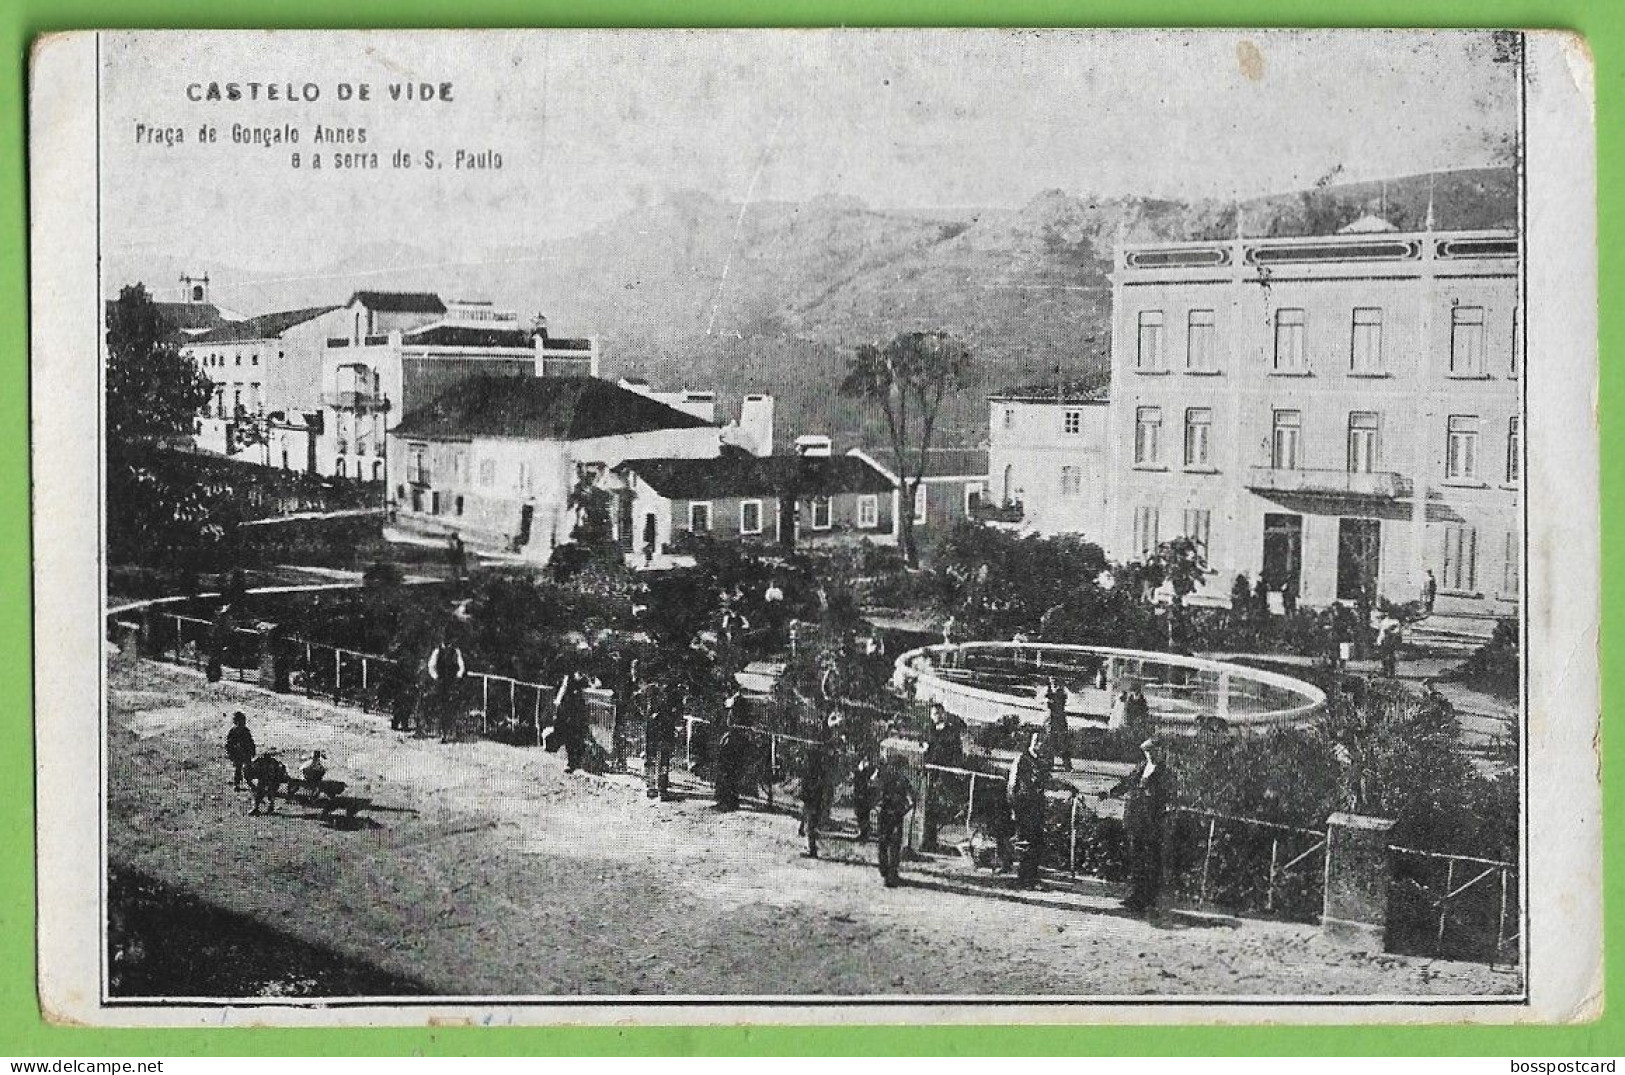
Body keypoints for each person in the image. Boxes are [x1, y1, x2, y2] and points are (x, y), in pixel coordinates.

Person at [1110, 736, 1175, 914]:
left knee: (1151, 861)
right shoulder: (1141, 768)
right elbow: (1126, 783)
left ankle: (1149, 899)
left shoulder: (1166, 773)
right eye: (1147, 752)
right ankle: (1135, 896)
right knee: (1136, 859)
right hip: (1136, 820)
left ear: (1161, 752)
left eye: (1153, 751)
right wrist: (1109, 792)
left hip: (1153, 822)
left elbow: (1169, 797)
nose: (1150, 755)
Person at [1007, 732, 1048, 889]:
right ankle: (1024, 879)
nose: (1040, 744)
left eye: (1042, 742)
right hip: (1023, 806)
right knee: (1025, 842)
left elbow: (1045, 783)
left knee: (1037, 842)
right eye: (1037, 741)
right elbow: (1011, 786)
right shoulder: (1021, 759)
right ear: (1031, 742)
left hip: (1037, 807)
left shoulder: (1042, 762)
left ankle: (1032, 877)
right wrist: (1013, 808)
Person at [920, 704, 964, 852]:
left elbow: (957, 753)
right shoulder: (929, 731)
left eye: (939, 713)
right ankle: (928, 841)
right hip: (930, 774)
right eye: (934, 714)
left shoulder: (951, 732)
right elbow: (924, 748)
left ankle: (938, 839)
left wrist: (954, 769)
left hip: (945, 774)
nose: (936, 716)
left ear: (944, 714)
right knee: (928, 807)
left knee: (942, 807)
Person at [875, 755, 915, 888]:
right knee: (893, 845)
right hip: (896, 815)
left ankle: (884, 872)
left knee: (883, 843)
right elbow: (912, 800)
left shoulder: (883, 778)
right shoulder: (903, 780)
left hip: (884, 814)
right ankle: (891, 875)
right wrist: (904, 811)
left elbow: (874, 792)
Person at [425, 634, 467, 742]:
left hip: (452, 682)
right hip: (441, 682)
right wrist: (435, 676)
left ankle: (448, 733)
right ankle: (440, 733)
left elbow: (461, 666)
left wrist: (458, 677)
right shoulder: (438, 650)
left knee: (451, 708)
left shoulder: (455, 651)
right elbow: (431, 665)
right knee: (440, 707)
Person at [798, 729, 831, 859]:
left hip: (813, 792)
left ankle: (812, 850)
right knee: (810, 818)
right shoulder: (822, 758)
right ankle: (809, 844)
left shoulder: (813, 759)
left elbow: (807, 775)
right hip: (817, 792)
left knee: (811, 821)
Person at [645, 678, 680, 800]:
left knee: (664, 760)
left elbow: (678, 711)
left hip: (666, 730)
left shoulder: (674, 693)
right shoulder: (651, 690)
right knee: (651, 758)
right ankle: (651, 786)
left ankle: (662, 788)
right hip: (653, 729)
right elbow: (642, 705)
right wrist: (649, 715)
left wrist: (673, 719)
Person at [550, 670, 590, 774]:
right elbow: (562, 693)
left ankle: (577, 761)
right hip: (570, 713)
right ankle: (571, 762)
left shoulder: (585, 680)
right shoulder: (569, 679)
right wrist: (558, 705)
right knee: (570, 738)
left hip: (581, 713)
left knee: (578, 737)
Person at [713, 692, 746, 811]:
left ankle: (728, 802)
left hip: (732, 744)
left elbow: (732, 724)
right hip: (728, 742)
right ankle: (725, 800)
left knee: (729, 773)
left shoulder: (738, 704)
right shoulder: (733, 702)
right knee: (726, 773)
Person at [246, 750, 289, 816]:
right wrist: (252, 784)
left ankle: (270, 808)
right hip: (264, 780)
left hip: (273, 780)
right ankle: (256, 808)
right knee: (259, 793)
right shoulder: (258, 762)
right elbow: (250, 774)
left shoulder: (274, 763)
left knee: (270, 793)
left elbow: (281, 773)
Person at [850, 748, 878, 842]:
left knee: (864, 814)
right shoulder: (861, 765)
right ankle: (863, 832)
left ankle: (865, 833)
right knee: (859, 813)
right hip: (859, 792)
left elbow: (870, 779)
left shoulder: (871, 767)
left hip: (864, 793)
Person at [1044, 677, 1071, 771]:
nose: (1053, 681)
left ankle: (1067, 765)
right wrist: (1046, 702)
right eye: (1051, 679)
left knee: (1063, 741)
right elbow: (1039, 700)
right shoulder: (1047, 690)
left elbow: (1067, 701)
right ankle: (1049, 764)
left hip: (1060, 718)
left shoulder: (1062, 691)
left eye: (1055, 679)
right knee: (1050, 742)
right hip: (1051, 719)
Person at [225, 712, 256, 790]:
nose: (242, 723)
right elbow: (229, 744)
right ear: (235, 722)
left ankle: (248, 781)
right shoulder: (233, 732)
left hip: (246, 753)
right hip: (237, 754)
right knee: (238, 769)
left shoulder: (246, 731)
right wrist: (231, 753)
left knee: (248, 768)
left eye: (243, 721)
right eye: (240, 721)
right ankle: (237, 784)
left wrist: (252, 750)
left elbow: (251, 741)